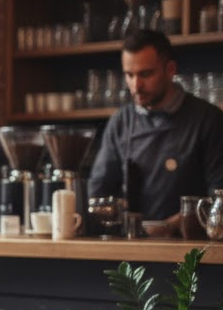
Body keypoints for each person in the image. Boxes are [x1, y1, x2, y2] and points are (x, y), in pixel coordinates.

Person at [87, 29, 223, 226]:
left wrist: (171, 226)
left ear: (170, 69)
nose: (136, 86)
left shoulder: (208, 119)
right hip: (133, 239)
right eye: (129, 75)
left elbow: (219, 197)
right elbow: (99, 193)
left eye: (146, 74)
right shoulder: (121, 122)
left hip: (189, 240)